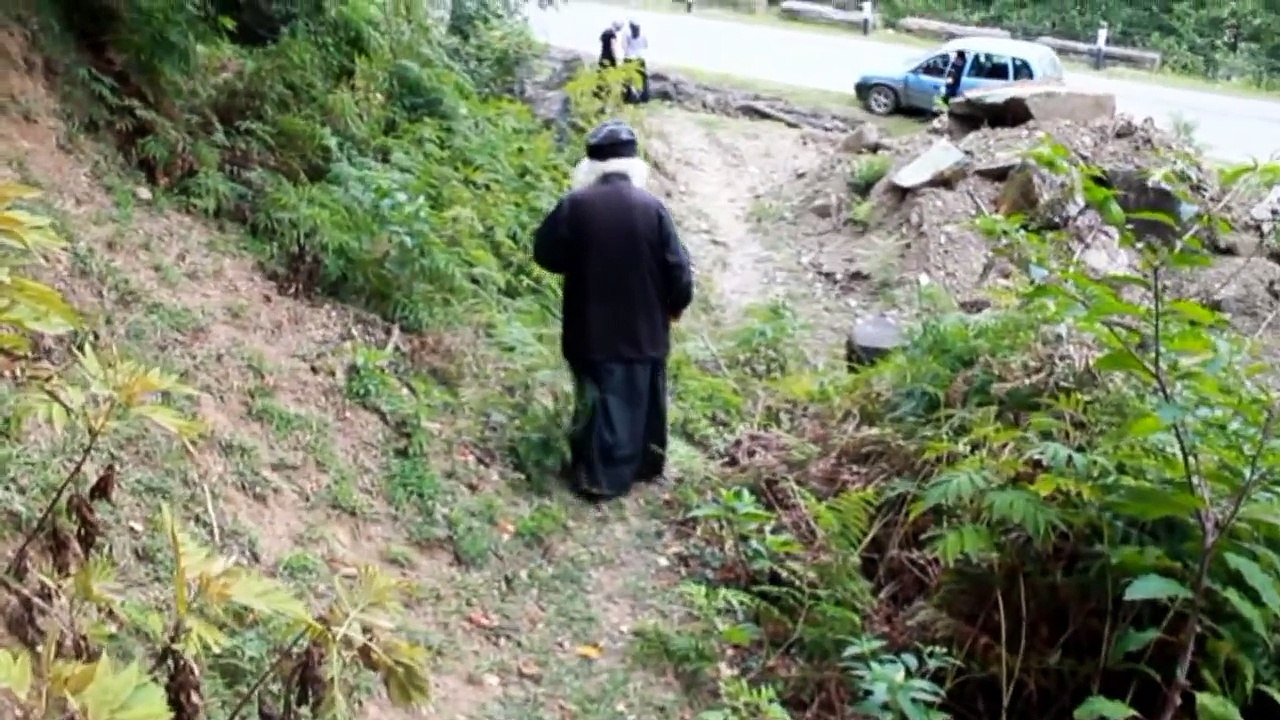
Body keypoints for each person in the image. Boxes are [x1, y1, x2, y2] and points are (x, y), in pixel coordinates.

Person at [533, 121, 695, 501]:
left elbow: (546, 254)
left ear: (590, 167)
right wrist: (676, 305)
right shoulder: (652, 208)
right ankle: (641, 469)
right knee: (639, 402)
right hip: (644, 331)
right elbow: (678, 269)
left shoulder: (575, 206)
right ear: (634, 165)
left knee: (596, 401)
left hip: (588, 328)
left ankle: (592, 473)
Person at [623, 20, 650, 103]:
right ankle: (644, 97)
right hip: (640, 58)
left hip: (629, 58)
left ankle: (627, 97)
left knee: (627, 79)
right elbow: (646, 46)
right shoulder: (643, 34)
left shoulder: (627, 34)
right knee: (644, 79)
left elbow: (624, 46)